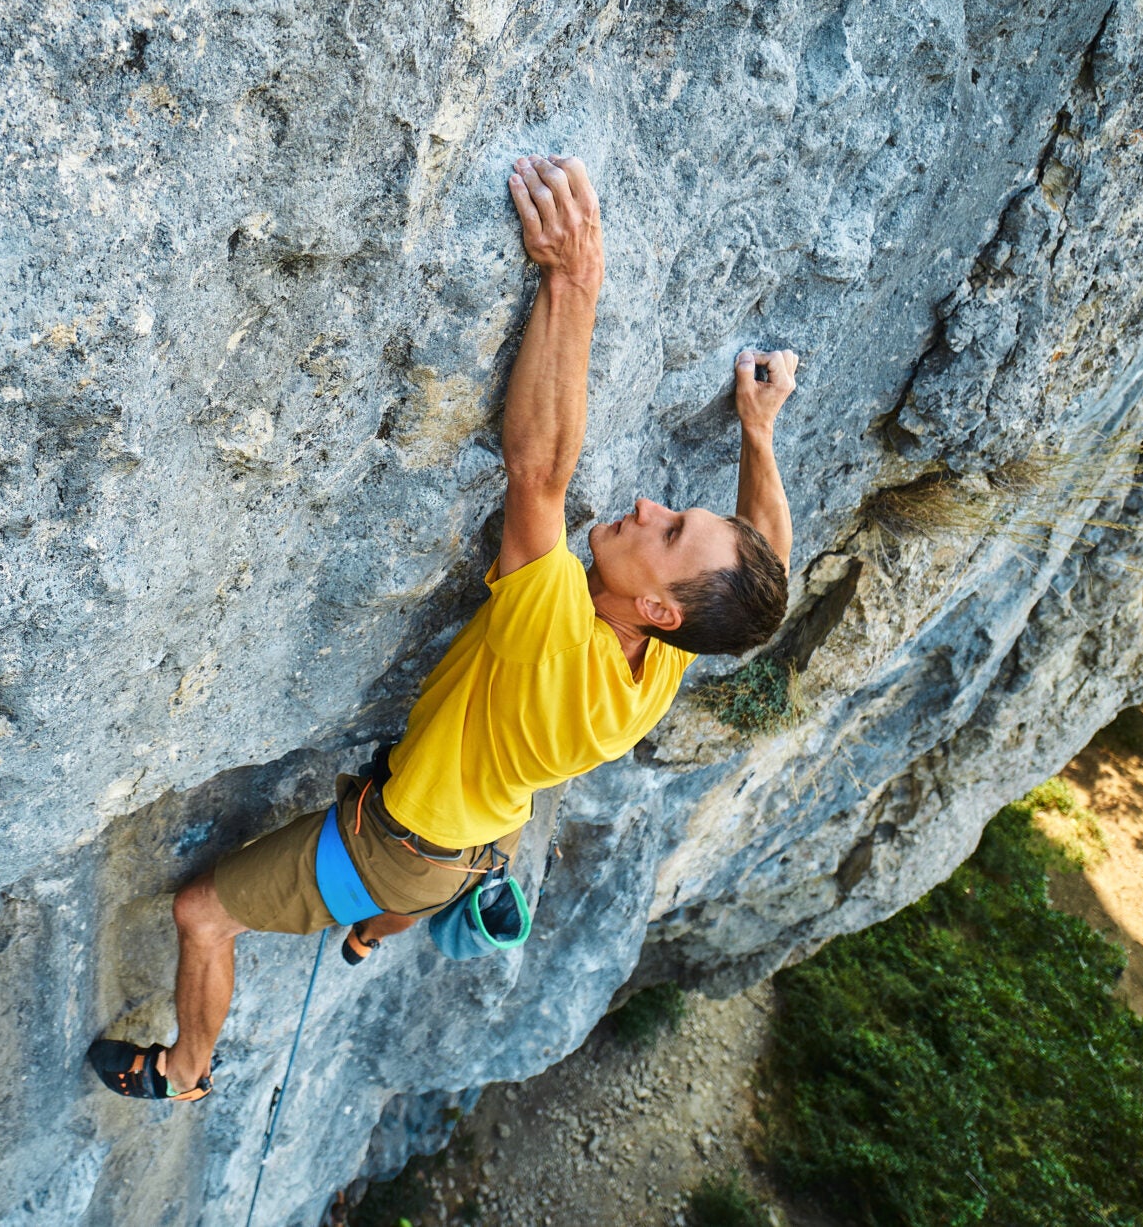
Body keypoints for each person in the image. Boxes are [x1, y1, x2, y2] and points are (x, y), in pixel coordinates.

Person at [89, 155, 798, 1102]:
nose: (647, 503)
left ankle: (183, 1068)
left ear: (658, 606)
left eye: (667, 531)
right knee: (390, 902)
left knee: (205, 914)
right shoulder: (667, 653)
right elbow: (770, 573)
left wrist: (573, 279)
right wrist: (759, 432)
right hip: (471, 844)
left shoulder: (557, 640)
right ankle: (362, 931)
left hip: (399, 841)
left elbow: (537, 471)